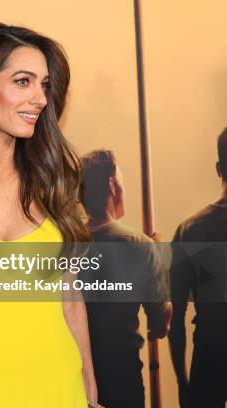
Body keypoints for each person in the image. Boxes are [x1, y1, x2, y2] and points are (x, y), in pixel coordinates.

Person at [0, 23, 97, 407]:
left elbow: (70, 298)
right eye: (23, 82)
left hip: (59, 379)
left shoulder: (52, 181)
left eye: (44, 85)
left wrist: (90, 387)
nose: (41, 98)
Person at [81, 149, 172, 408]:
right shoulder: (138, 244)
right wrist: (158, 261)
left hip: (77, 374)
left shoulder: (68, 243)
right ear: (112, 185)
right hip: (123, 376)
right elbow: (159, 322)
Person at [169, 128, 227, 408]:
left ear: (219, 168)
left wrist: (182, 382)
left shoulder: (190, 230)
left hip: (209, 358)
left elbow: (176, 317)